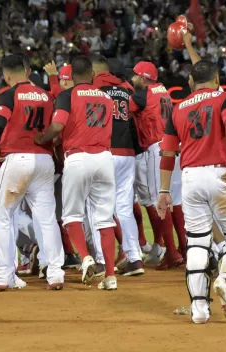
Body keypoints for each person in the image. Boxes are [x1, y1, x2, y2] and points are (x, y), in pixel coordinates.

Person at [157, 60, 226, 324]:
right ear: (217, 78)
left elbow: (167, 152)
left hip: (190, 178)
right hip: (220, 173)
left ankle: (199, 310)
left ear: (190, 81)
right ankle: (225, 278)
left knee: (197, 240)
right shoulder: (224, 98)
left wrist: (164, 189)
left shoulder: (177, 109)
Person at [0, 54, 65, 291]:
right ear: (27, 71)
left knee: (2, 216)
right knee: (47, 219)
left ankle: (0, 275)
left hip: (18, 160)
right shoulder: (45, 95)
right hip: (44, 160)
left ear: (6, 75)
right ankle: (55, 273)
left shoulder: (9, 94)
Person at [35, 56, 118, 290]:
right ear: (92, 74)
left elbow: (58, 125)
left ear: (70, 77)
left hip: (78, 156)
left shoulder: (67, 95)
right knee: (105, 219)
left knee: (72, 216)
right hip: (104, 157)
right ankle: (110, 276)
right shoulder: (105, 96)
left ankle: (85, 257)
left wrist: (43, 138)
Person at [129, 61, 184, 270]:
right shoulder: (163, 91)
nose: (132, 79)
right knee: (176, 200)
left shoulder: (142, 95)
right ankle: (184, 247)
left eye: (135, 76)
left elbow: (119, 110)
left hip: (157, 149)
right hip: (173, 145)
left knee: (158, 200)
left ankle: (171, 252)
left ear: (143, 78)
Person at [92, 56, 144, 276]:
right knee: (124, 208)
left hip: (106, 151)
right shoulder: (125, 89)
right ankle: (135, 259)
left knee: (97, 207)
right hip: (128, 153)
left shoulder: (94, 88)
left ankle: (102, 261)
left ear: (95, 72)